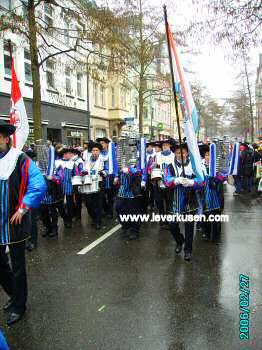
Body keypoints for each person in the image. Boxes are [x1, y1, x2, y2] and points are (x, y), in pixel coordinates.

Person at [0, 120, 46, 325]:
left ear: (4, 138)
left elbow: (37, 183)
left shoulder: (20, 158)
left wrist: (24, 207)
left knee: (18, 266)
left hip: (14, 221)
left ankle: (20, 305)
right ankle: (13, 293)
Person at [164, 143, 202, 261]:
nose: (181, 155)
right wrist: (176, 180)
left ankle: (188, 250)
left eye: (183, 152)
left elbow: (202, 181)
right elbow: (166, 181)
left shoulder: (194, 166)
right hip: (175, 200)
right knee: (172, 225)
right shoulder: (169, 166)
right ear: (175, 153)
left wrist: (192, 182)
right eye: (178, 152)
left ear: (187, 153)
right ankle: (180, 241)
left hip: (190, 200)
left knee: (189, 227)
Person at [82, 143, 105, 230]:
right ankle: (94, 218)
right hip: (88, 183)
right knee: (88, 203)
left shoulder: (103, 159)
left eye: (97, 150)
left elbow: (107, 169)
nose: (95, 152)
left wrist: (103, 173)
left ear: (99, 151)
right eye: (93, 150)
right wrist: (83, 172)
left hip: (99, 183)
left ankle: (98, 221)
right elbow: (84, 168)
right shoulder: (87, 159)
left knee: (98, 204)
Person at [154, 139, 175, 226]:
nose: (165, 146)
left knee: (169, 201)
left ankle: (168, 219)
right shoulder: (157, 155)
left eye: (167, 145)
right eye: (163, 145)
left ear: (170, 146)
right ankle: (162, 216)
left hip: (169, 183)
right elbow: (153, 166)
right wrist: (153, 166)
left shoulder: (173, 155)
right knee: (158, 201)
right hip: (158, 181)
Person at [97, 137, 119, 219]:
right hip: (101, 177)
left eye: (102, 143)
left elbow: (115, 164)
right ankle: (105, 209)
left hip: (110, 177)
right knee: (101, 196)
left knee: (110, 196)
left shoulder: (111, 153)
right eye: (100, 143)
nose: (101, 144)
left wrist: (116, 176)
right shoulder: (98, 153)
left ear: (106, 144)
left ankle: (110, 212)